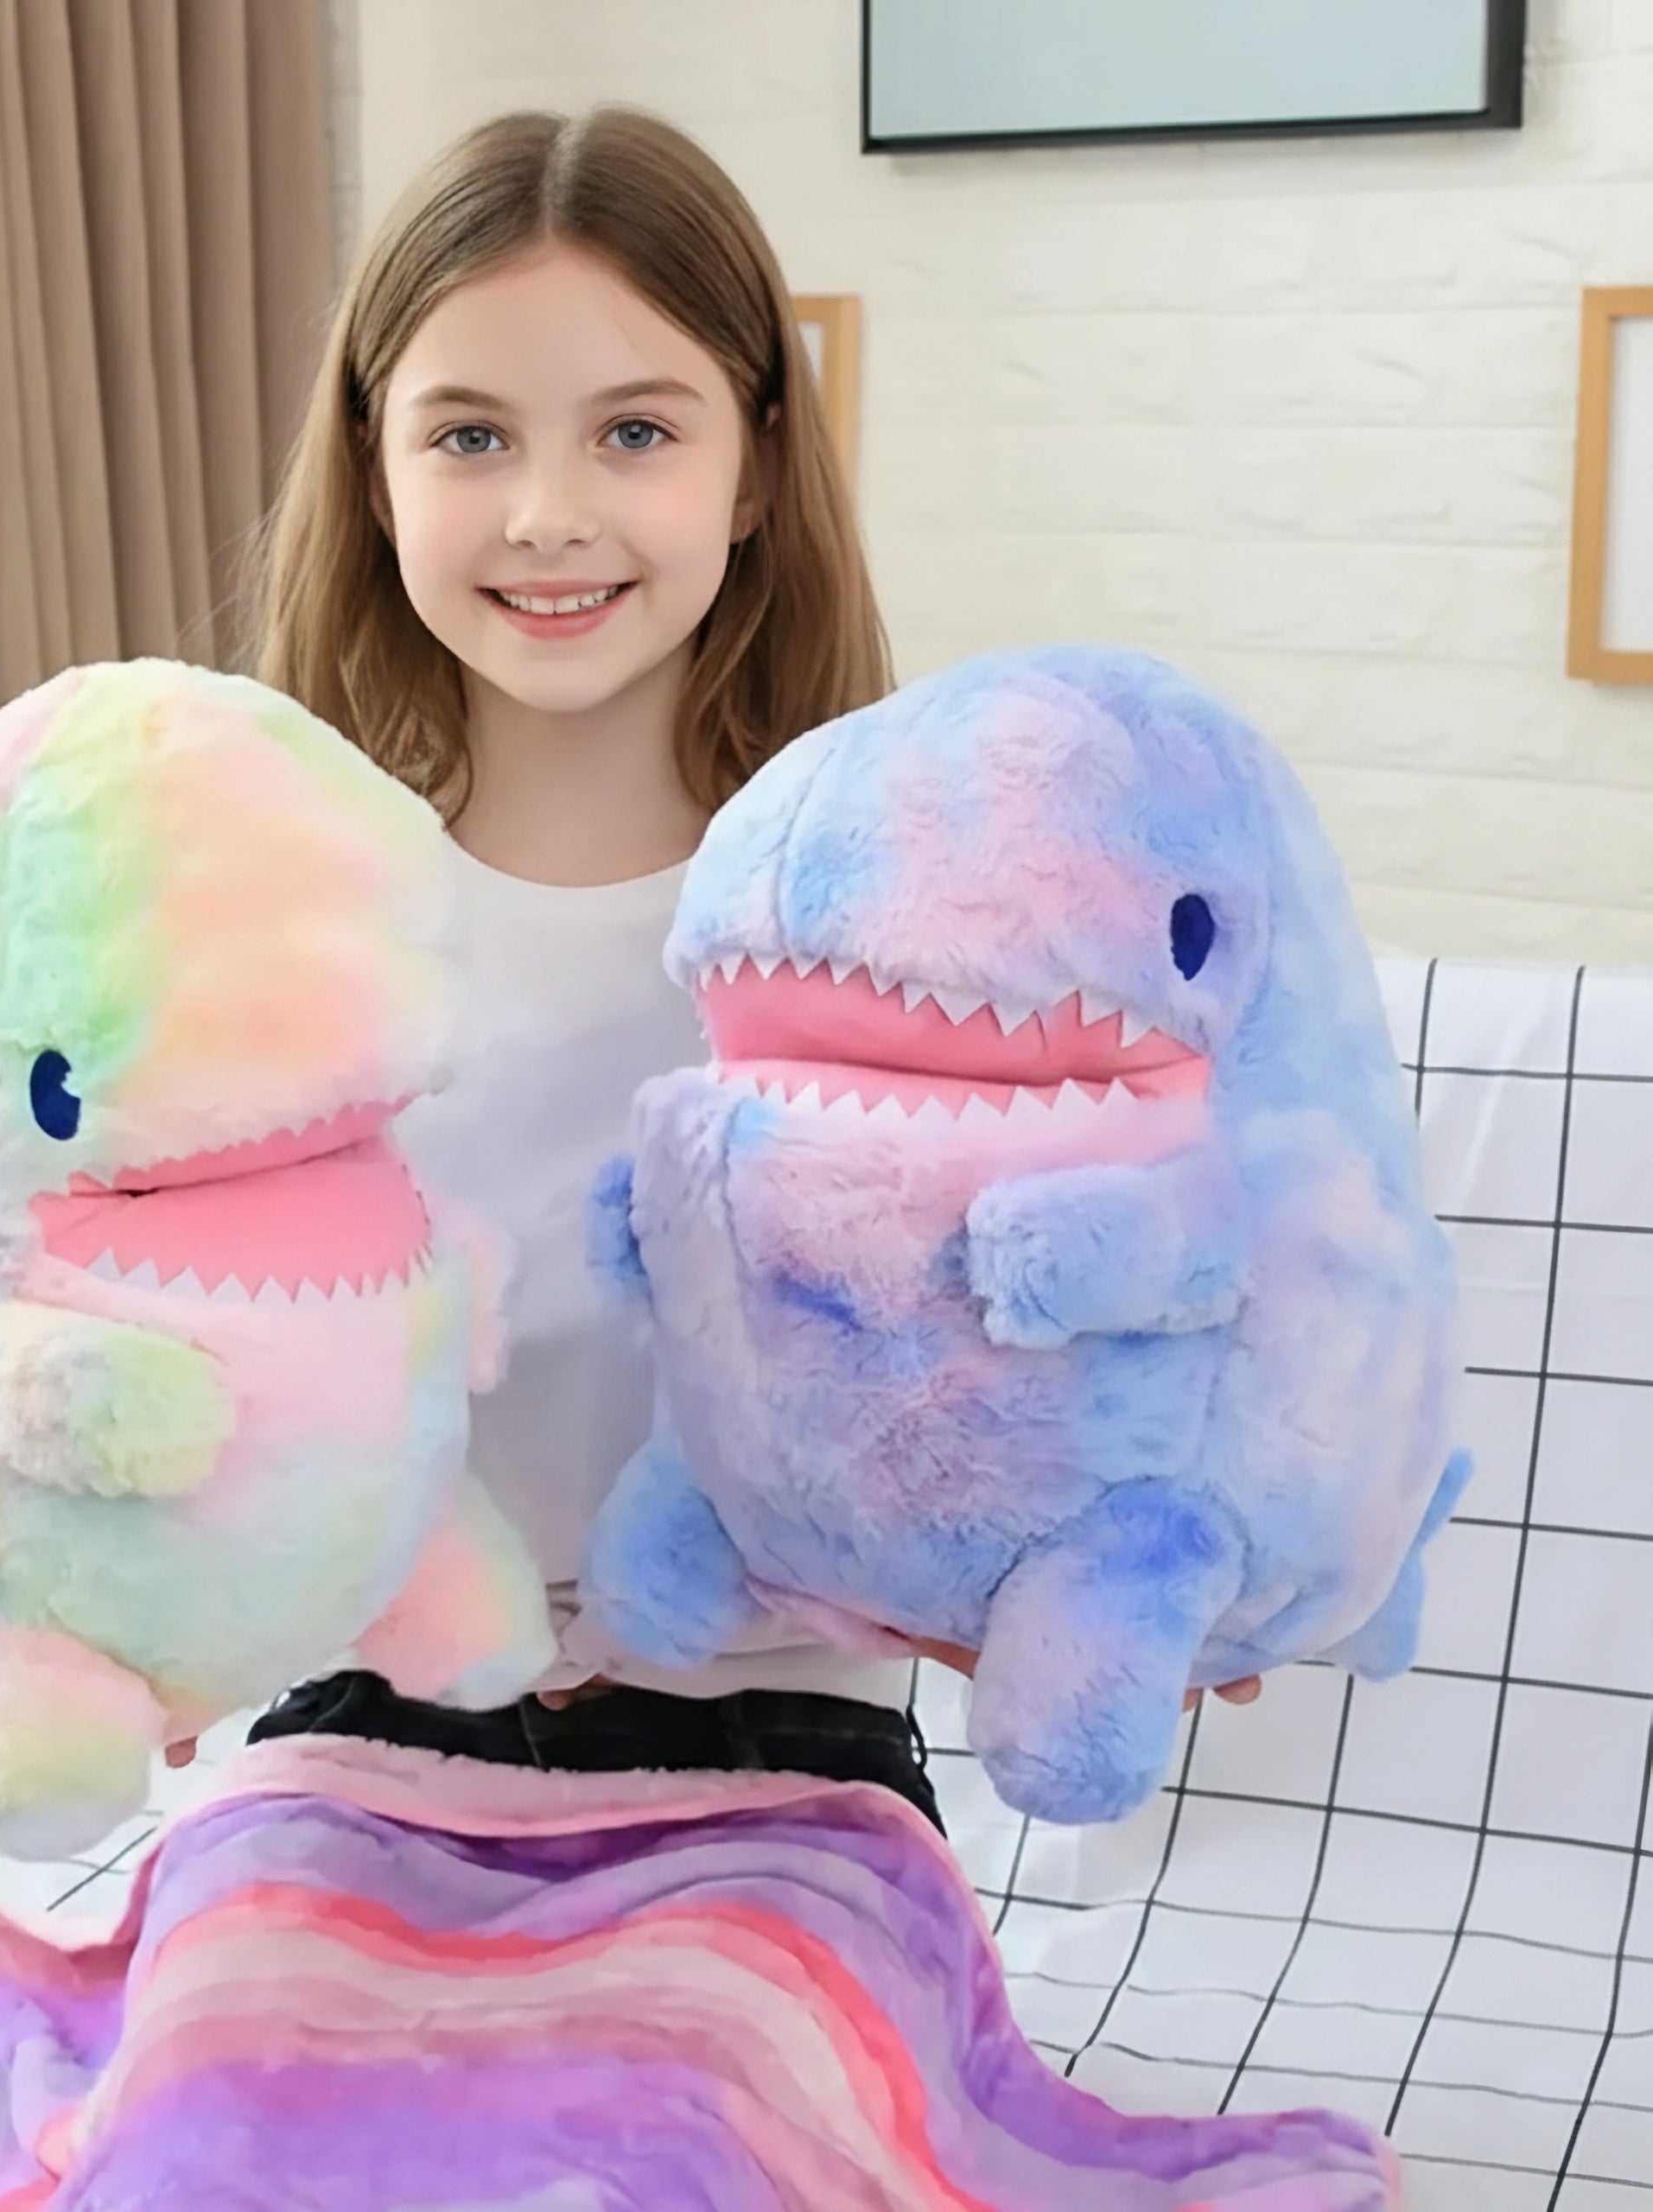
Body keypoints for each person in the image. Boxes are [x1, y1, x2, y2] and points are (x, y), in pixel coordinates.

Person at [165, 105, 1257, 1822]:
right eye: (467, 435)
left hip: (774, 1752)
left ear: (748, 468)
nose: (544, 511)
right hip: (357, 1735)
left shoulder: (916, 938)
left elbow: (1045, 1374)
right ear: (373, 468)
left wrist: (1120, 1557)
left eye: (631, 431)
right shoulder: (265, 921)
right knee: (239, 2093)